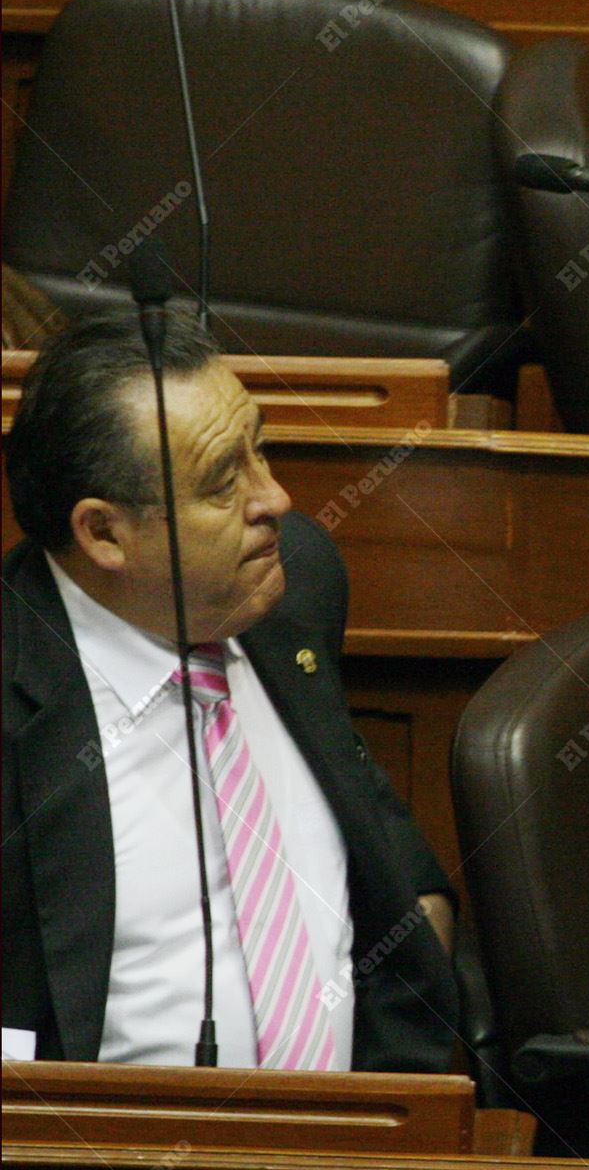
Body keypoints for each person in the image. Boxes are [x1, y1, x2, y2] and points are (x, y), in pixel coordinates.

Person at [3, 311, 459, 1071]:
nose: (274, 499)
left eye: (260, 447)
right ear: (104, 534)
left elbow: (402, 884)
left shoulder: (289, 588)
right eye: (224, 482)